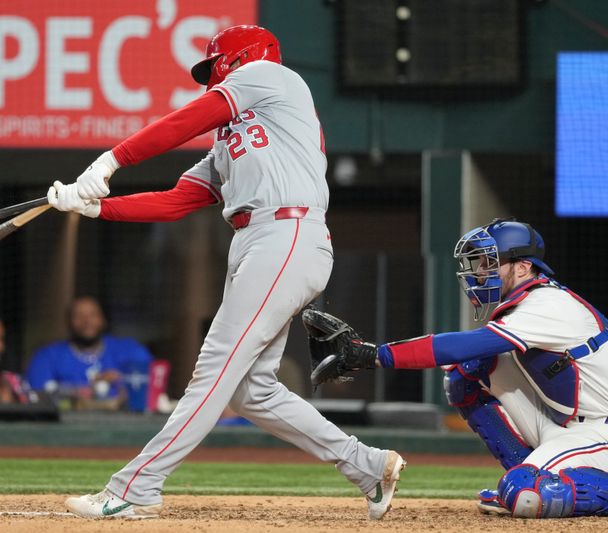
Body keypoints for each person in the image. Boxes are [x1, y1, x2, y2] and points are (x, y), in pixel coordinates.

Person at [48, 25, 405, 520]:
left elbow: (190, 117)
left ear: (238, 58)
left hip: (287, 232)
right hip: (259, 242)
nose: (212, 77)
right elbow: (176, 201)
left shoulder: (272, 76)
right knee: (250, 390)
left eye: (215, 66)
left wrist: (112, 159)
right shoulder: (232, 141)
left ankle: (135, 487)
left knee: (214, 369)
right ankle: (367, 466)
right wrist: (94, 210)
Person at [307, 219, 608, 519]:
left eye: (490, 263)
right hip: (568, 422)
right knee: (466, 371)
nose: (479, 272)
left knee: (525, 494)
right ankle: (529, 473)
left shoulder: (549, 305)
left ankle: (534, 482)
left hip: (599, 428)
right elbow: (465, 357)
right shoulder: (525, 304)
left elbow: (461, 344)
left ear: (522, 268)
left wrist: (374, 354)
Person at [25, 296, 153, 412]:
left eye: (93, 314)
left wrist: (121, 379)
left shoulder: (128, 349)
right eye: (78, 315)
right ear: (68, 322)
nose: (87, 321)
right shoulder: (48, 356)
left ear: (103, 319)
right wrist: (76, 392)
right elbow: (35, 395)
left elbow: (154, 381)